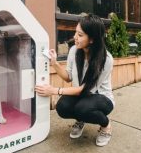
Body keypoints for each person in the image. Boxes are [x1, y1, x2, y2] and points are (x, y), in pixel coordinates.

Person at [35, 13, 114, 147]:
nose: (75, 37)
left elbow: (84, 89)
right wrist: (54, 63)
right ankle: (81, 119)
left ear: (92, 39)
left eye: (80, 35)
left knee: (82, 108)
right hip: (82, 97)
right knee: (62, 107)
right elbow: (68, 77)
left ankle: (106, 126)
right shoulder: (74, 50)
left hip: (101, 98)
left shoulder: (105, 59)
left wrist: (54, 90)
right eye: (75, 33)